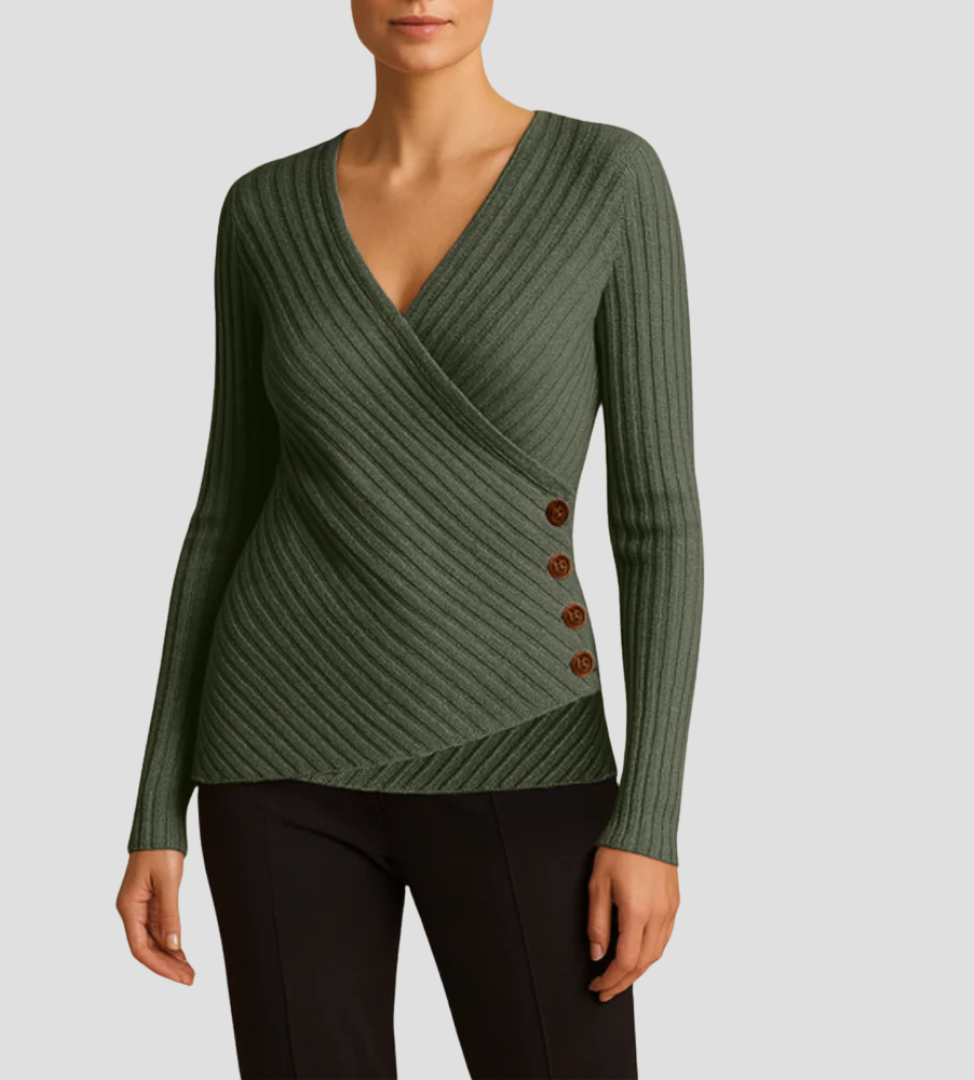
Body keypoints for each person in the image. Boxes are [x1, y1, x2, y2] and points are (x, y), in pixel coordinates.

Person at [115, 2, 704, 1077]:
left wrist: (650, 817)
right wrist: (159, 804)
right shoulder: (264, 209)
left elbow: (658, 521)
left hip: (525, 742)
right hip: (271, 751)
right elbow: (224, 511)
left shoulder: (606, 180)